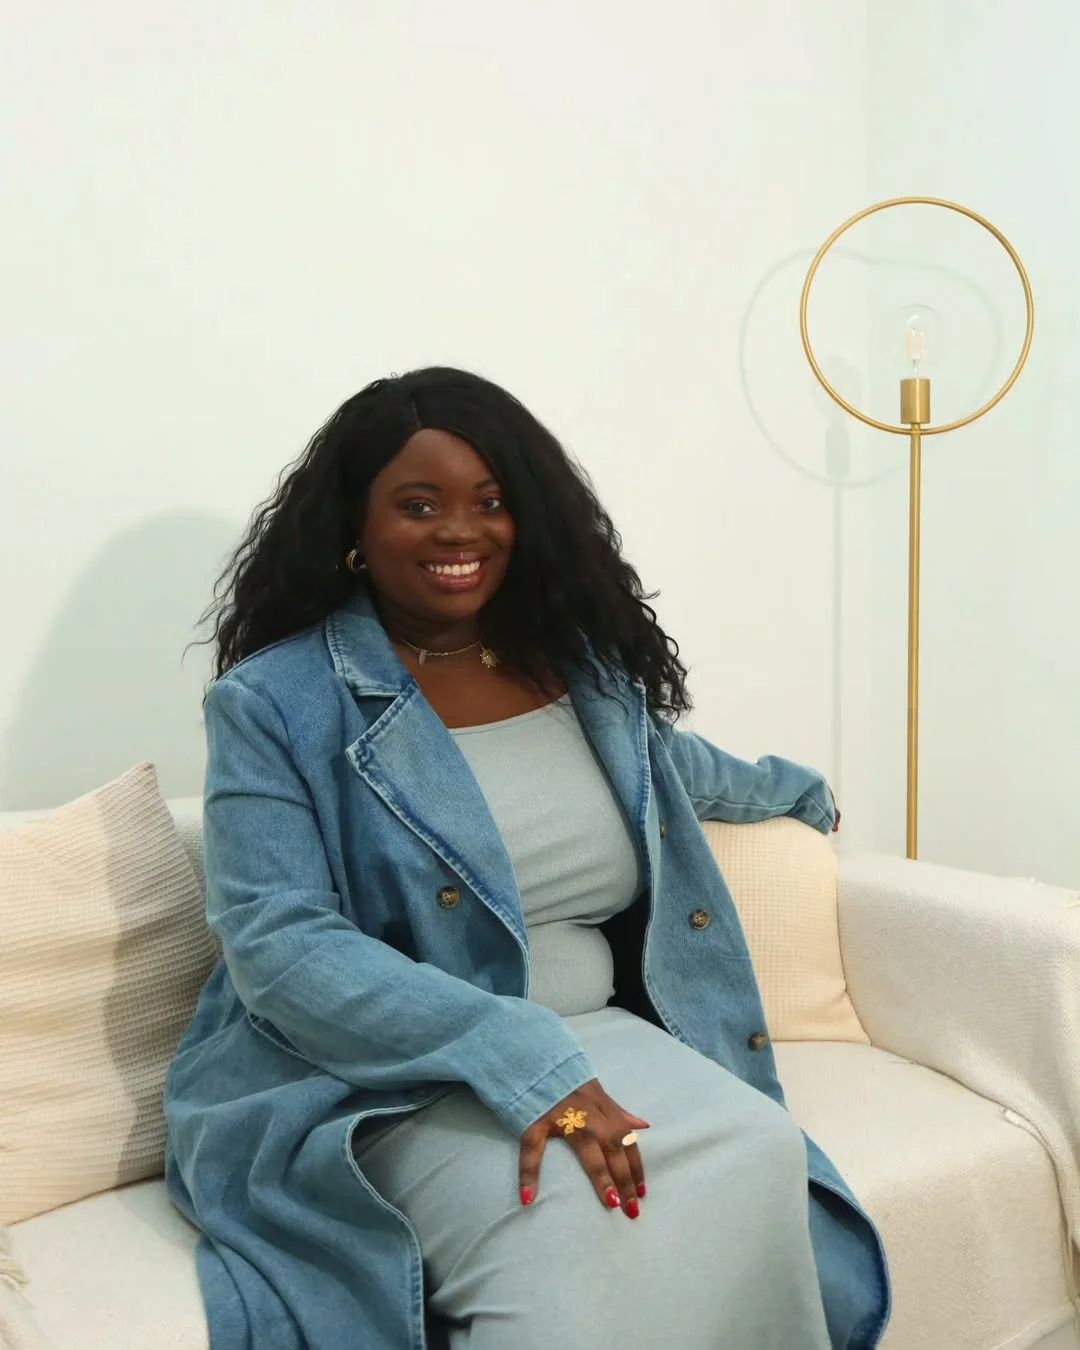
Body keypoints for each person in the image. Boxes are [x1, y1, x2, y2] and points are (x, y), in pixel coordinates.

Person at [164, 367, 890, 1350]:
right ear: (356, 528)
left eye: (490, 503)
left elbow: (662, 769)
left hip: (594, 1034)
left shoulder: (577, 665)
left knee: (759, 1147)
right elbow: (280, 948)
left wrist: (794, 789)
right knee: (564, 1211)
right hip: (376, 1073)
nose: (460, 531)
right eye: (417, 505)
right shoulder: (275, 703)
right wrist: (524, 1060)